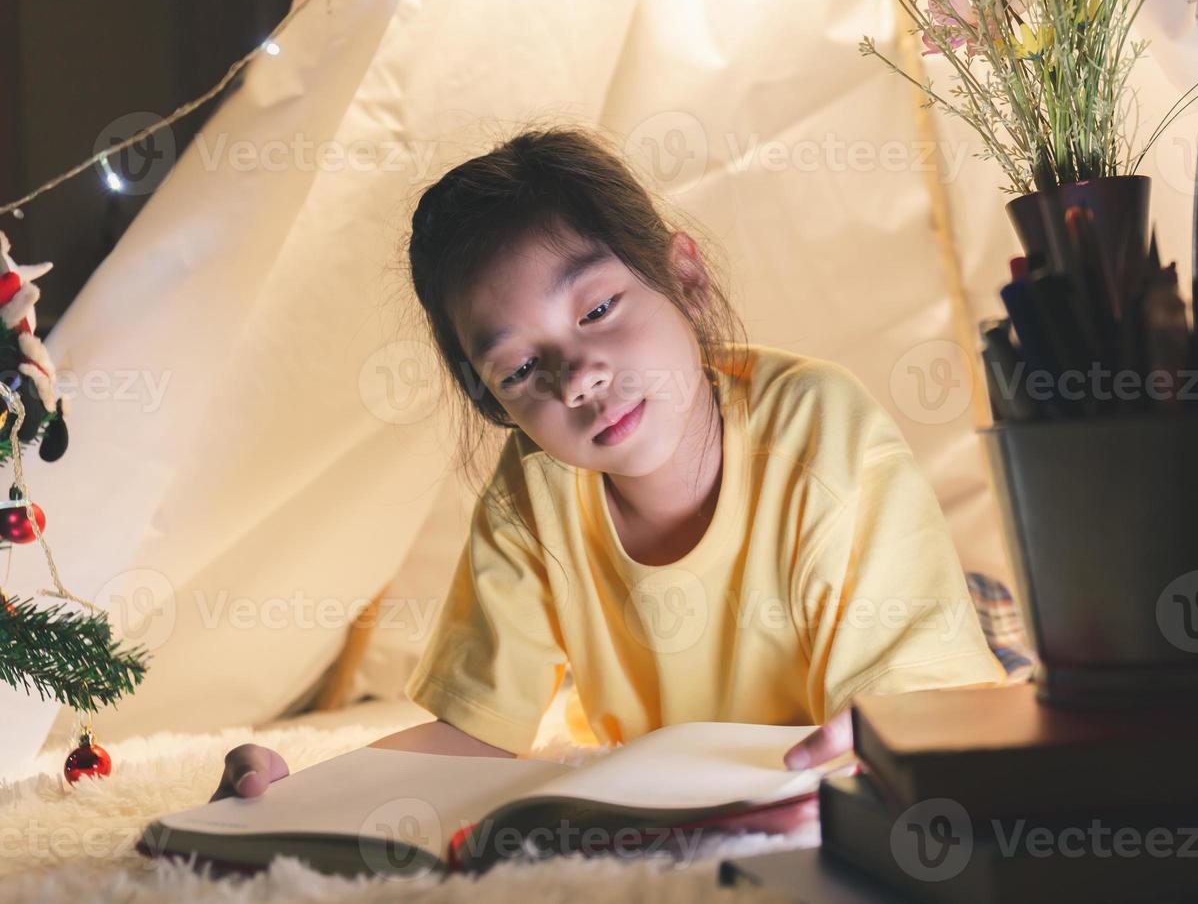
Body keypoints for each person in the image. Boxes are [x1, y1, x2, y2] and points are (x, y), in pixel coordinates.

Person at [213, 125, 1006, 833]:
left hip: (894, 670)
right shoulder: (534, 491)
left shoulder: (820, 433)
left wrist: (870, 745)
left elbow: (919, 711)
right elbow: (476, 732)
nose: (578, 378)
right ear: (492, 403)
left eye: (596, 311)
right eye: (521, 367)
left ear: (683, 276)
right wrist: (292, 795)